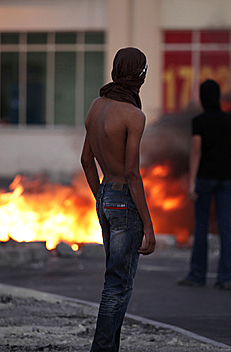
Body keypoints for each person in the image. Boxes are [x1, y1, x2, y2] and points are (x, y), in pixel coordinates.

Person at [81, 47, 156, 352]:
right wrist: (149, 227)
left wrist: (101, 196)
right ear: (139, 75)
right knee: (118, 286)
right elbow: (132, 173)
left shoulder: (96, 107)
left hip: (105, 197)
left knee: (113, 281)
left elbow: (86, 161)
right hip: (124, 199)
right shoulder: (134, 116)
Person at [177, 79, 231, 291]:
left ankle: (197, 275)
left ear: (202, 98)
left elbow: (196, 151)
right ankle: (225, 276)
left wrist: (192, 182)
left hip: (205, 179)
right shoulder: (230, 121)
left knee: (201, 226)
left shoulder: (199, 122)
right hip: (226, 179)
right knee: (225, 226)